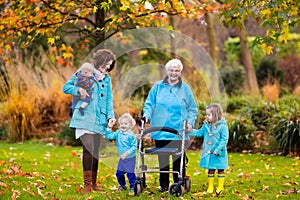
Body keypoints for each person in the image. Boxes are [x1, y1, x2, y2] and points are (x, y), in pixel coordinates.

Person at [63, 49, 117, 194]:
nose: (107, 68)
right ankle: (87, 185)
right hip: (84, 116)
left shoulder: (107, 79)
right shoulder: (85, 71)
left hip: (99, 118)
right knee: (88, 149)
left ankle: (93, 183)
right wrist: (79, 90)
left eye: (110, 66)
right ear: (100, 61)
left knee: (95, 152)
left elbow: (108, 99)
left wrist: (110, 117)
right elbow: (66, 87)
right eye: (106, 64)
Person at [142, 58, 198, 192]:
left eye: (176, 70)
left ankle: (179, 183)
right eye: (171, 70)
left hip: (178, 130)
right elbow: (149, 104)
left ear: (180, 72)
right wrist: (146, 116)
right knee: (163, 159)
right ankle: (164, 185)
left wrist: (190, 122)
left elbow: (192, 109)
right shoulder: (157, 87)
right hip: (160, 130)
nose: (174, 73)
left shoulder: (185, 89)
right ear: (167, 71)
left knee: (178, 159)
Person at [189, 103, 229, 195]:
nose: (206, 117)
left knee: (220, 169)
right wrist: (189, 131)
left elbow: (224, 139)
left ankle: (220, 186)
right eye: (206, 114)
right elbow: (199, 133)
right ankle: (210, 186)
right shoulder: (207, 125)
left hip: (219, 152)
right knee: (211, 169)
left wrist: (218, 150)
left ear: (215, 115)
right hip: (209, 152)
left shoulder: (223, 126)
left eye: (208, 115)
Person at [106, 113, 137, 194]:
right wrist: (109, 127)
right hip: (122, 158)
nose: (123, 125)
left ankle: (133, 187)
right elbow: (109, 136)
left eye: (126, 124)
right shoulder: (118, 133)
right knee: (119, 173)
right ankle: (122, 185)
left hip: (130, 158)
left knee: (130, 174)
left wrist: (127, 153)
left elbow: (134, 146)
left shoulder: (131, 136)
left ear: (130, 125)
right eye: (121, 124)